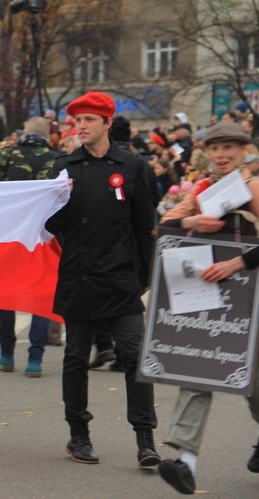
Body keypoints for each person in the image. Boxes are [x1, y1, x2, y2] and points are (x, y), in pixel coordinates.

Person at [45, 91, 159, 467]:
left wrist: (145, 274)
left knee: (134, 354)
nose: (81, 126)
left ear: (108, 123)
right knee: (76, 358)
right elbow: (47, 225)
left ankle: (145, 439)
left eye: (89, 119)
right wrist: (62, 201)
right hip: (78, 276)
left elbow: (144, 226)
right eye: (77, 120)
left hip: (121, 279)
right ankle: (78, 435)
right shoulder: (64, 168)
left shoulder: (132, 166)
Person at [157, 121, 259, 494]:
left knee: (255, 383)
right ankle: (185, 461)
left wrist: (240, 262)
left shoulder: (252, 186)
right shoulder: (203, 188)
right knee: (197, 369)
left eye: (230, 147)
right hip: (207, 297)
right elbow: (164, 226)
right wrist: (190, 219)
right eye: (216, 148)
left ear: (244, 149)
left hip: (251, 297)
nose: (222, 155)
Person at [0, 116, 60, 376]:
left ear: (25, 131)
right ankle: (35, 359)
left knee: (6, 292)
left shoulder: (9, 154)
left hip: (10, 234)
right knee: (40, 295)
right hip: (42, 236)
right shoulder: (57, 159)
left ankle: (7, 353)